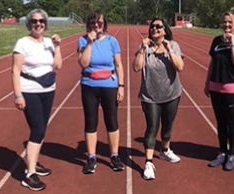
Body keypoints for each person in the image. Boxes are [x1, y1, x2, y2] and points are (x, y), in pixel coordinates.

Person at [11, 9, 62, 191]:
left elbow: (58, 65)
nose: (38, 24)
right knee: (38, 130)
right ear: (29, 24)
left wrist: (57, 46)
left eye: (41, 21)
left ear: (45, 23)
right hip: (29, 91)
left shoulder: (49, 42)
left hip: (48, 90)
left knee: (41, 129)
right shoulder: (22, 43)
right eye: (34, 21)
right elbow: (15, 70)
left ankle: (33, 163)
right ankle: (29, 174)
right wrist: (18, 95)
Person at [132, 18, 184, 180]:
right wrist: (142, 49)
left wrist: (169, 50)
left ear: (165, 30)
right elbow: (136, 67)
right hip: (150, 96)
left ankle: (165, 150)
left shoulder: (173, 45)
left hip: (171, 94)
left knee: (167, 126)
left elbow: (180, 67)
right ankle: (148, 162)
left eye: (158, 26)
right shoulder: (144, 47)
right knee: (152, 127)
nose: (154, 28)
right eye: (152, 26)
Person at [77, 10, 125, 174]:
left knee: (112, 121)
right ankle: (91, 157)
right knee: (91, 122)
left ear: (104, 24)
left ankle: (114, 156)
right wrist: (90, 44)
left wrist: (121, 86)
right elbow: (83, 63)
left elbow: (118, 65)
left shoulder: (113, 41)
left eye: (100, 23)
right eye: (93, 23)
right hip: (89, 85)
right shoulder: (83, 40)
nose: (96, 26)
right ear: (89, 24)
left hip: (109, 86)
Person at [204, 7, 234, 171]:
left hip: (232, 90)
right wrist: (207, 83)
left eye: (230, 22)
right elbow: (213, 62)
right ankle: (222, 152)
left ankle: (232, 155)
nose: (227, 24)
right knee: (220, 124)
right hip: (216, 88)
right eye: (224, 22)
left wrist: (232, 43)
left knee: (232, 124)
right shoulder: (216, 41)